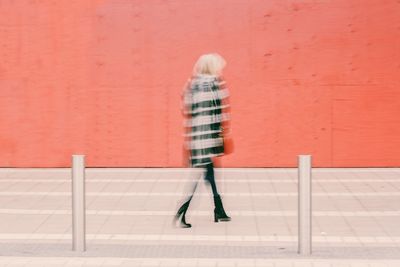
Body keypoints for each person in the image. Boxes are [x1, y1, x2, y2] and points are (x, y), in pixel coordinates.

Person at [174, 53, 231, 228]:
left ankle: (219, 210)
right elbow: (223, 112)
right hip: (211, 137)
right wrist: (222, 135)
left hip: (195, 138)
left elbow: (185, 110)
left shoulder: (191, 84)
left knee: (209, 172)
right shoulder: (217, 84)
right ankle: (182, 211)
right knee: (202, 174)